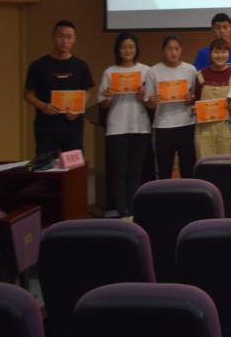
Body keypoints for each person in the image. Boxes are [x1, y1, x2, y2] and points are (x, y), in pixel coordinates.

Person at [97, 31, 150, 218]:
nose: (127, 50)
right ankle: (121, 211)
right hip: (116, 127)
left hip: (140, 126)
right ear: (118, 50)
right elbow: (103, 103)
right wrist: (108, 98)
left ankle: (133, 210)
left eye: (131, 47)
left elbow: (151, 102)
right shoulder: (109, 72)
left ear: (136, 49)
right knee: (119, 172)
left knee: (135, 172)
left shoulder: (146, 71)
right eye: (124, 47)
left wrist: (144, 97)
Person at [24, 20, 94, 154]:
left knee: (74, 165)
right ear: (53, 37)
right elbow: (28, 94)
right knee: (46, 164)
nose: (65, 41)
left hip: (73, 127)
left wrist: (78, 109)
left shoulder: (80, 66)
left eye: (69, 37)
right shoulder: (38, 65)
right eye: (60, 36)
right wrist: (43, 106)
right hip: (46, 127)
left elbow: (87, 91)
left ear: (74, 39)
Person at [144, 35, 197, 178]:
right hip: (163, 126)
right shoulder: (153, 71)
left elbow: (195, 97)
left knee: (188, 169)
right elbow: (149, 103)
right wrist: (152, 102)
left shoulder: (191, 70)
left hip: (187, 124)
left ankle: (188, 193)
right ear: (163, 50)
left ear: (181, 50)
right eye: (169, 49)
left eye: (176, 49)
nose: (173, 53)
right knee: (164, 169)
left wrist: (191, 98)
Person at [193, 38, 231, 159]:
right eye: (216, 52)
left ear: (229, 54)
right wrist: (194, 108)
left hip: (227, 128)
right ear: (210, 54)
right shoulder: (200, 75)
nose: (220, 55)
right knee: (206, 164)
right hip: (204, 130)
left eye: (223, 52)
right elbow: (195, 100)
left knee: (227, 164)